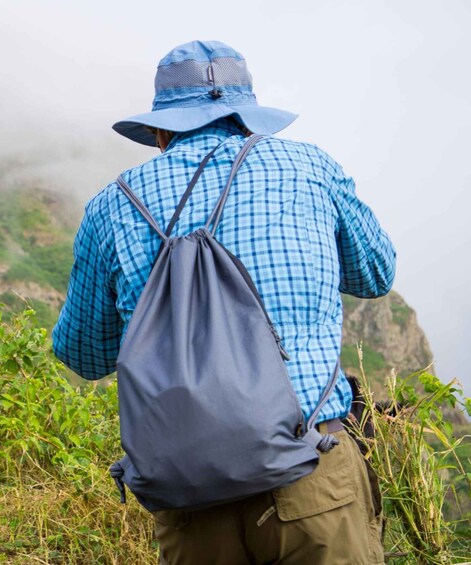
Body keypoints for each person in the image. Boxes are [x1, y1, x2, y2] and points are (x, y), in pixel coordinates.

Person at [52, 40, 394, 564]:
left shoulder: (112, 205)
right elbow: (375, 274)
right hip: (311, 473)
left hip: (188, 493)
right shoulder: (310, 169)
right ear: (246, 116)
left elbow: (83, 355)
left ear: (160, 129)